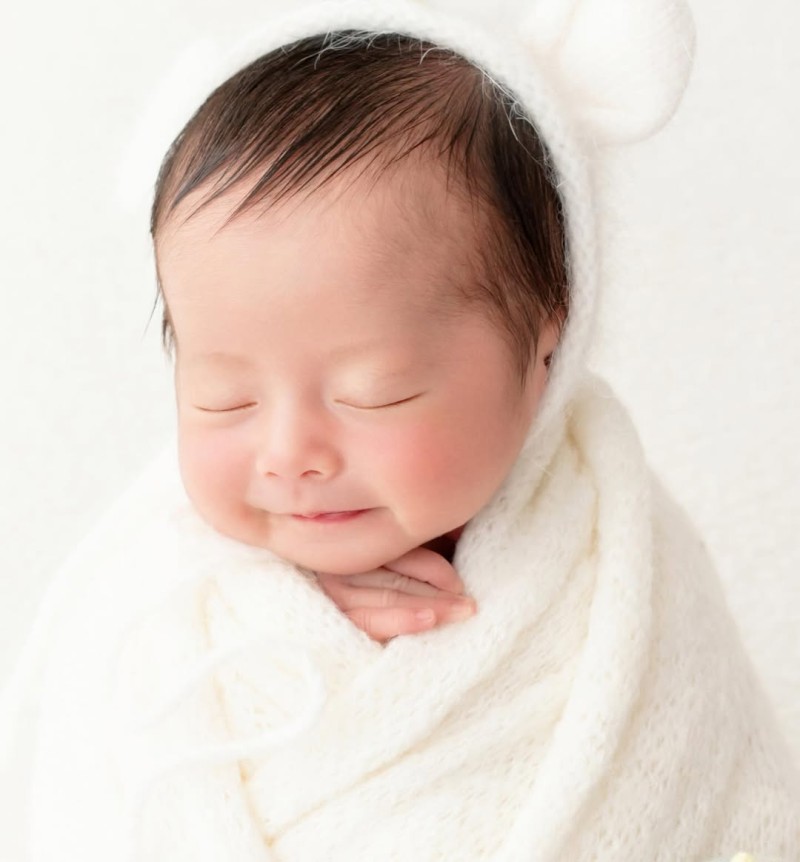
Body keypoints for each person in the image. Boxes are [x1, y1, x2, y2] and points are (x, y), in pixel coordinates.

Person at [2, 1, 799, 860]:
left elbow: (708, 800)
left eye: (372, 394)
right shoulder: (157, 607)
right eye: (225, 397)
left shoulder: (621, 581)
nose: (289, 455)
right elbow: (98, 789)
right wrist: (286, 621)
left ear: (546, 346)